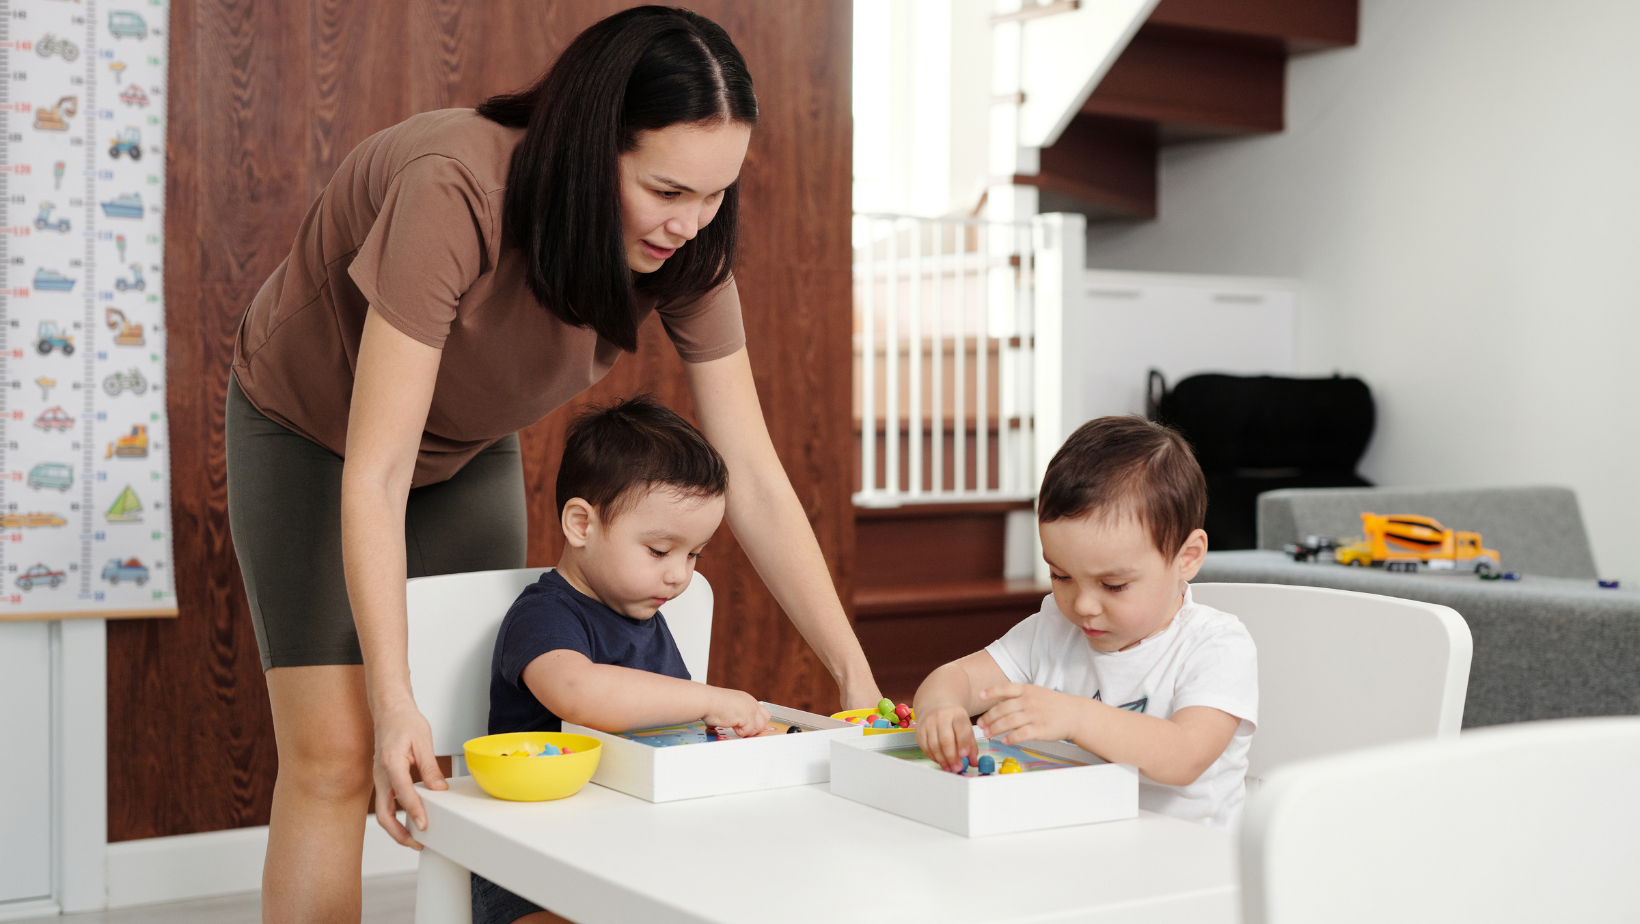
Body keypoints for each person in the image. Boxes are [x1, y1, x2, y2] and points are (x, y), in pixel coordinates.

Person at [225, 8, 881, 921]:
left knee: (468, 737)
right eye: (666, 190)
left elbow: (756, 478)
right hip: (312, 431)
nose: (691, 223)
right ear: (590, 145)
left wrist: (852, 676)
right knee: (337, 755)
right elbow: (374, 474)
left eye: (715, 194)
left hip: (467, 442)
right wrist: (391, 700)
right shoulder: (454, 186)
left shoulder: (688, 250)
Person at [475, 396, 767, 923]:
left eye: (694, 553)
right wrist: (707, 699)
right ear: (582, 524)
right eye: (660, 551)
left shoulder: (651, 620)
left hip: (633, 850)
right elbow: (580, 696)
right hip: (533, 867)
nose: (679, 574)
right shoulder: (543, 615)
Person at [913, 416, 1258, 829]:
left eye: (1113, 585)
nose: (1082, 605)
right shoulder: (1054, 628)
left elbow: (1184, 756)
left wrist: (1077, 717)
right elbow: (959, 679)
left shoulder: (1215, 646)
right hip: (1074, 847)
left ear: (1187, 557)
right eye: (1061, 576)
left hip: (1187, 864)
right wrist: (940, 709)